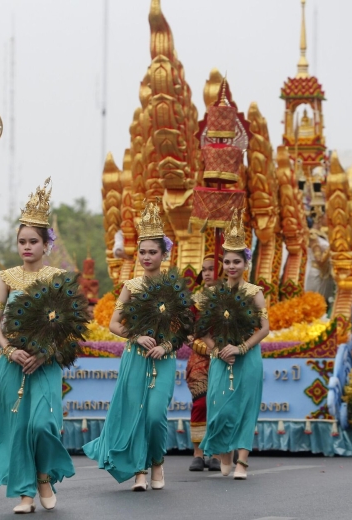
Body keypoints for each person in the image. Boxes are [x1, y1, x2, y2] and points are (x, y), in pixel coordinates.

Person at [84, 201, 191, 492]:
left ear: (163, 254)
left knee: (156, 413)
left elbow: (185, 329)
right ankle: (140, 470)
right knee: (136, 412)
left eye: (152, 252)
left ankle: (157, 462)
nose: (146, 257)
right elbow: (114, 324)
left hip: (163, 359)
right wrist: (135, 336)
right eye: (142, 252)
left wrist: (167, 346)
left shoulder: (174, 288)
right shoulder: (130, 286)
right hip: (135, 357)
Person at [0, 178, 75, 514]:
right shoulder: (7, 278)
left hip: (46, 362)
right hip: (13, 362)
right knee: (19, 427)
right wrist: (9, 349)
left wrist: (43, 353)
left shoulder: (57, 278)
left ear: (45, 244)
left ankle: (43, 476)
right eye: (22, 241)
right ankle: (24, 493)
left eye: (33, 241)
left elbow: (67, 326)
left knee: (42, 425)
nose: (26, 247)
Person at [198, 210, 270, 480]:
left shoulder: (254, 293)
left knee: (245, 407)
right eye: (227, 261)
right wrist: (216, 349)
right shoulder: (214, 293)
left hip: (247, 357)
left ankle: (242, 463)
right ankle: (224, 454)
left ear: (245, 264)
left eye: (236, 262)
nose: (231, 266)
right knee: (220, 408)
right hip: (220, 359)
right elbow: (202, 329)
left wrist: (241, 348)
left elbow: (265, 328)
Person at [187, 255, 218, 472]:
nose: (207, 273)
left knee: (220, 406)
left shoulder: (231, 299)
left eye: (212, 269)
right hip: (200, 358)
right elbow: (187, 330)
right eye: (204, 269)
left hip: (225, 356)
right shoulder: (195, 300)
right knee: (201, 404)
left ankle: (216, 453)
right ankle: (198, 454)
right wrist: (199, 345)